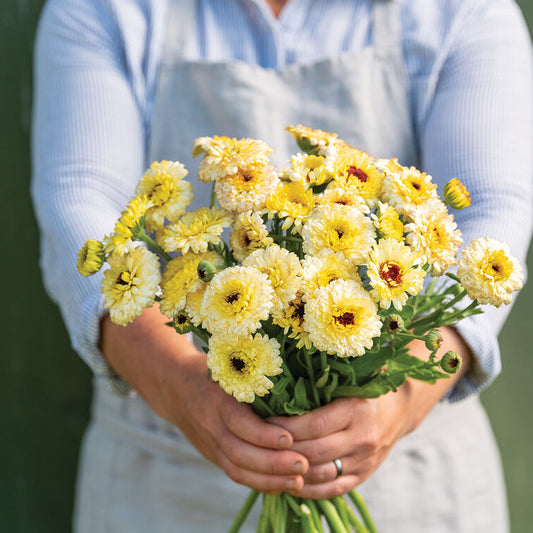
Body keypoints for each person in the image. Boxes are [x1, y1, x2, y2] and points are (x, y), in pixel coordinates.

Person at [31, 0, 532, 531]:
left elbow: (492, 208)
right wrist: (179, 384)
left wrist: (400, 398)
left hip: (409, 479)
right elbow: (78, 202)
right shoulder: (105, 9)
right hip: (168, 468)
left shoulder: (463, 9)